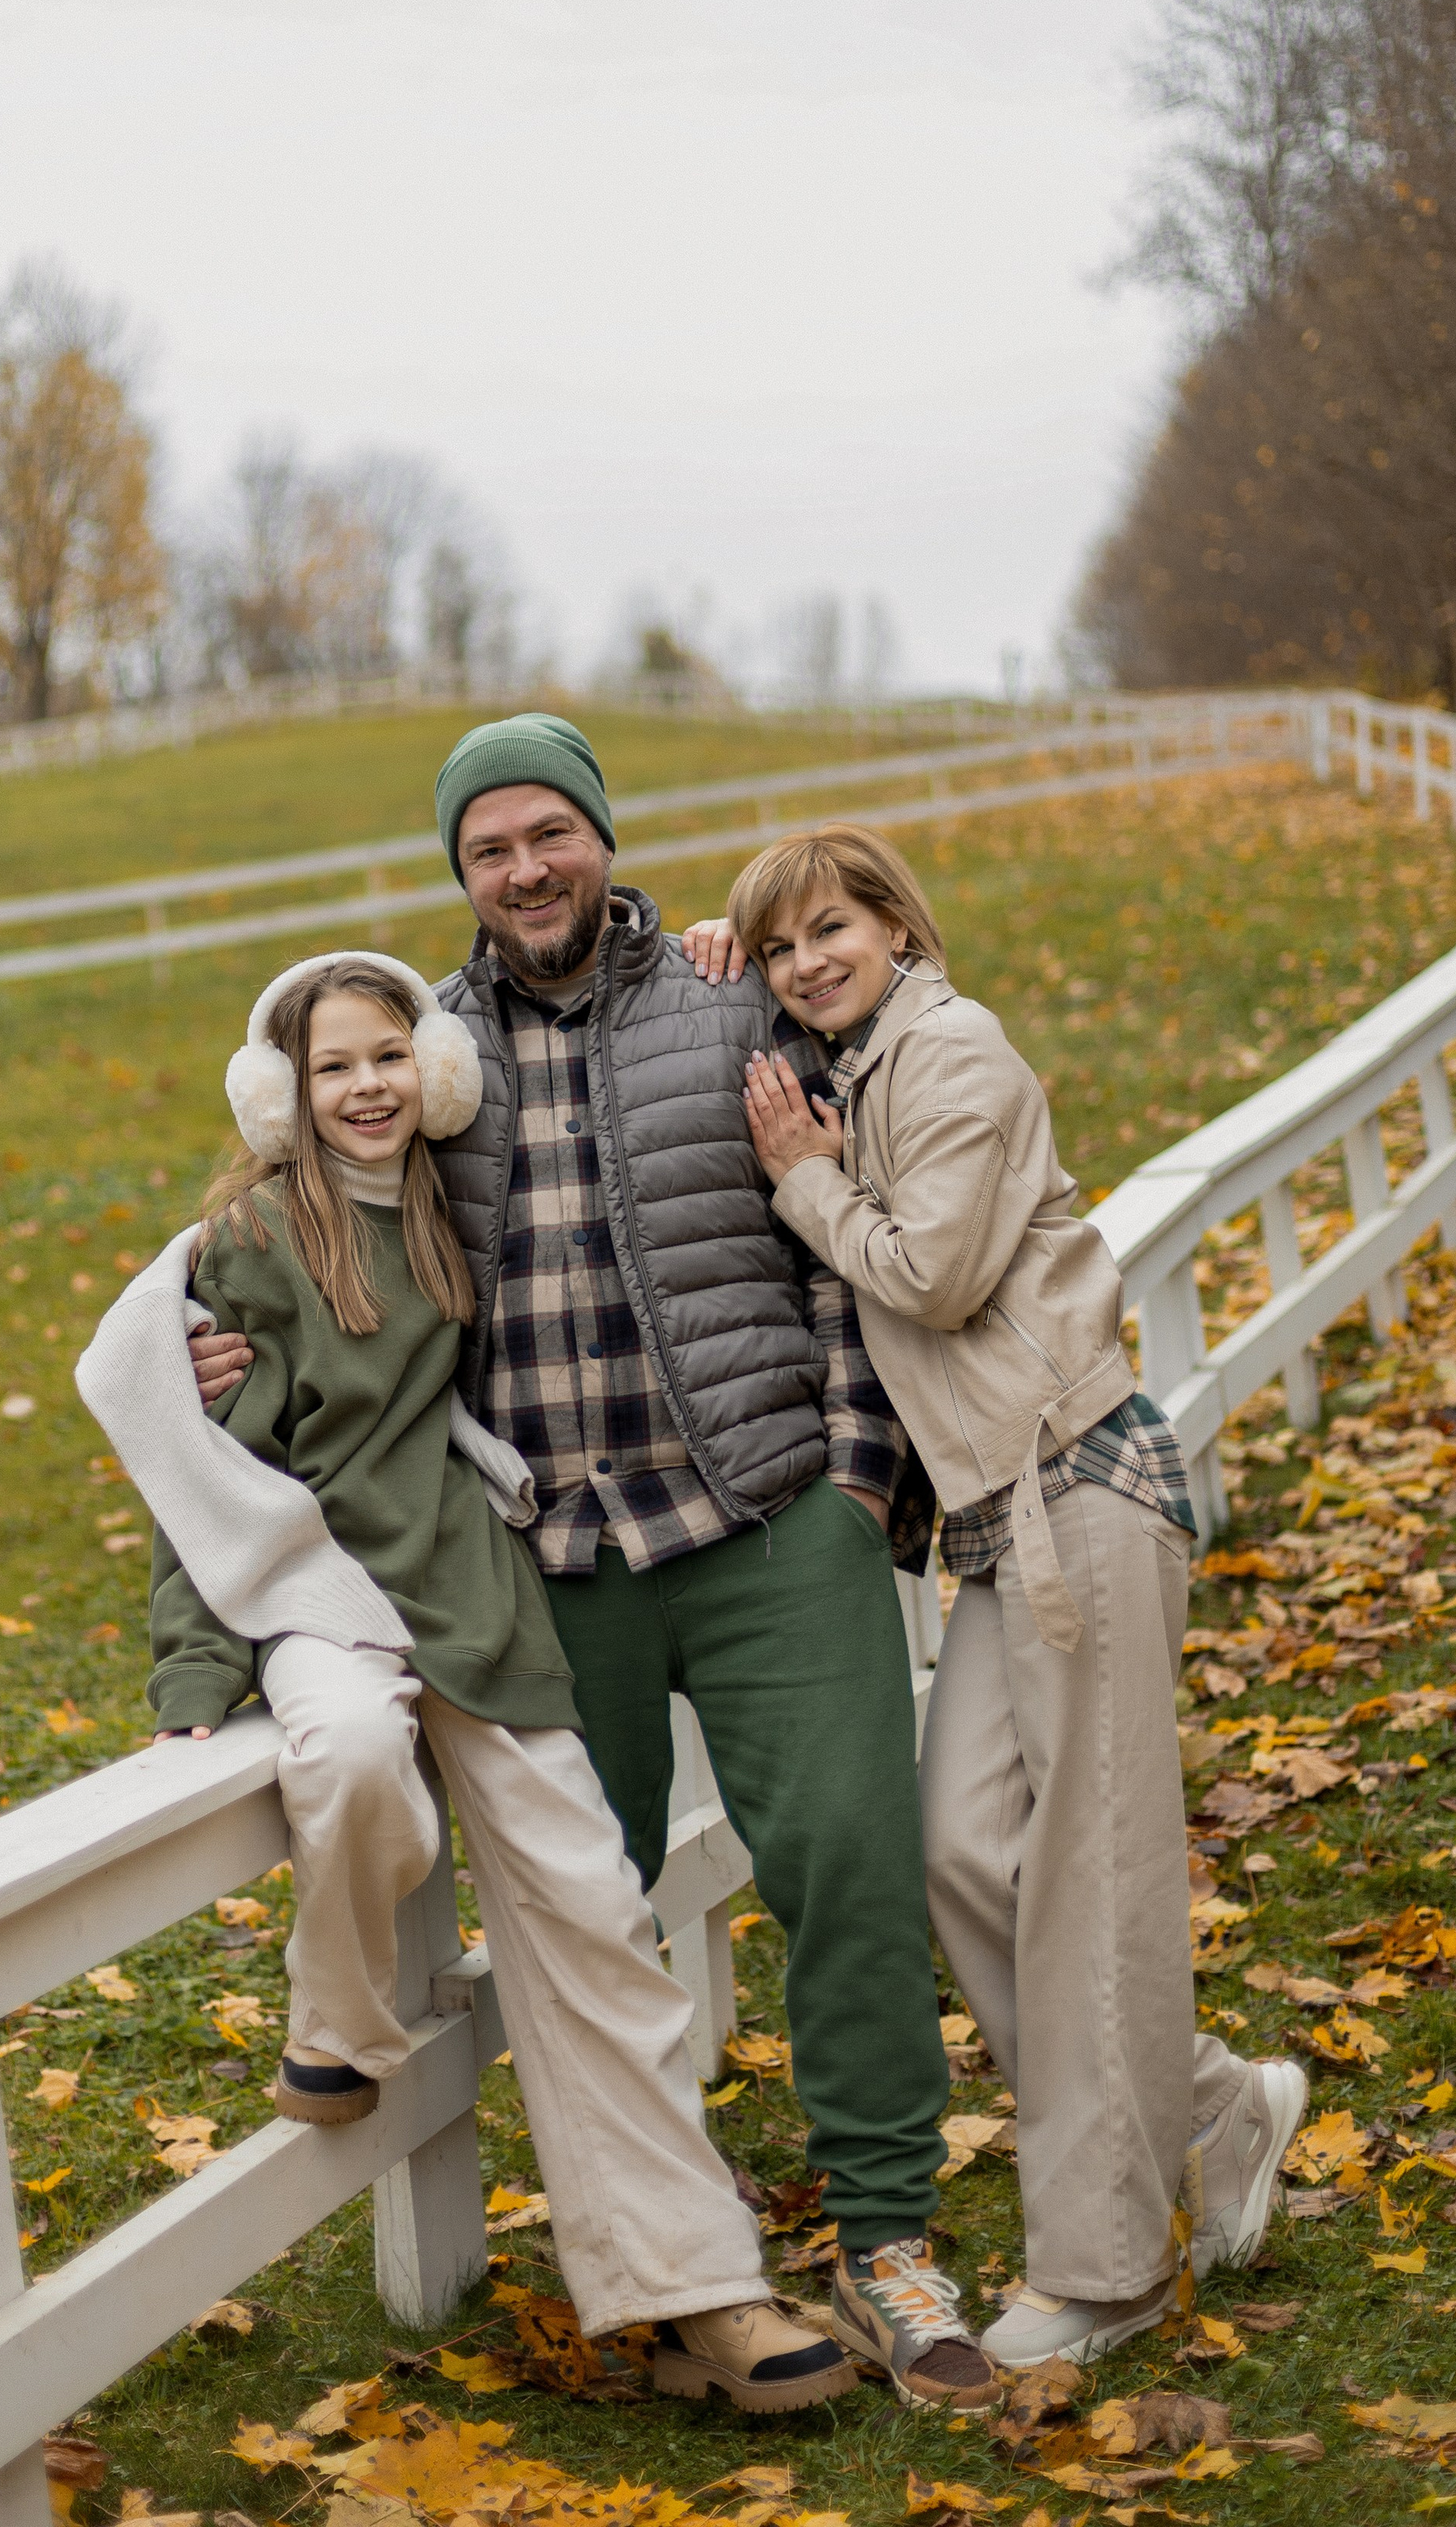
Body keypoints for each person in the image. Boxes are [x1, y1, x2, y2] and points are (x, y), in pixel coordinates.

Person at [196, 720, 1002, 2412]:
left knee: (849, 1868)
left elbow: (838, 1227)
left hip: (772, 1518)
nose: (525, 870)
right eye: (488, 848)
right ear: (459, 872)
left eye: (549, 833)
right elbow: (295, 1215)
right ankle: (681, 2271)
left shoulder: (733, 999)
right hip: (554, 1564)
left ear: (601, 837)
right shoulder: (422, 1058)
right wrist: (217, 1350)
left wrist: (855, 1481)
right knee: (588, 1918)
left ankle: (885, 2238)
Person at [78, 948, 857, 2417]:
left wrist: (723, 940)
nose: (367, 1088)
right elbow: (203, 1472)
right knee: (352, 1760)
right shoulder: (251, 1243)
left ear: (434, 1072)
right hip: (320, 1590)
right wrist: (194, 1667)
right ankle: (338, 2026)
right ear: (279, 1095)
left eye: (391, 1057)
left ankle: (697, 2288)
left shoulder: (454, 1205)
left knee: (596, 1912)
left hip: (475, 1588)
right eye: (332, 1068)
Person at [683, 824, 1307, 2368]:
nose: (806, 964)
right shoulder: (862, 1053)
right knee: (962, 1850)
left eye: (833, 929)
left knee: (1091, 1875)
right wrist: (712, 950)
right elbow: (784, 1035)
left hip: (1080, 1486)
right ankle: (1211, 2107)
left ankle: (1107, 2267)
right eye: (782, 946)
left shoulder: (951, 1052)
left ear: (899, 926)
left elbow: (936, 1273)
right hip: (1000, 1522)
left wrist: (806, 1183)